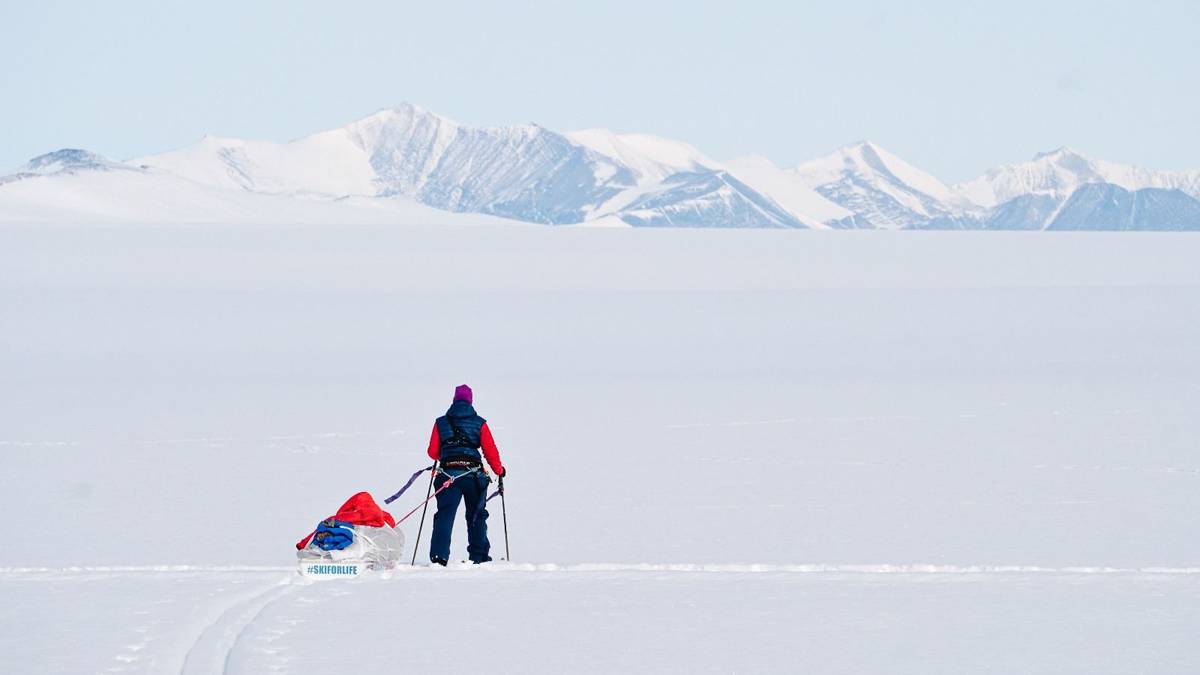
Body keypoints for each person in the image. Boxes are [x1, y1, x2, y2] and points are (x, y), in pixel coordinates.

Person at [426, 384, 506, 565]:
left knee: (445, 514)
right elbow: (490, 451)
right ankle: (479, 556)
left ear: (454, 400)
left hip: (447, 474)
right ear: (470, 401)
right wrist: (499, 471)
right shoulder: (480, 423)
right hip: (473, 476)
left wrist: (447, 455)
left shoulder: (441, 422)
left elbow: (432, 452)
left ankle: (439, 556)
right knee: (476, 514)